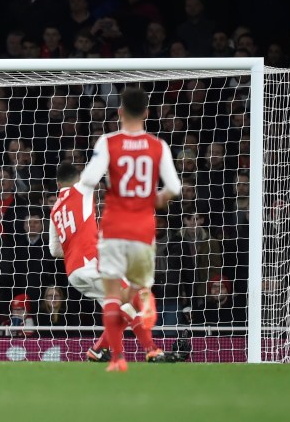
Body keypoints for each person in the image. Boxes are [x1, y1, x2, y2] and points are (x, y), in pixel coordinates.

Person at [78, 86, 182, 372]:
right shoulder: (157, 145)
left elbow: (87, 179)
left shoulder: (108, 142)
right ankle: (145, 322)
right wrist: (157, 198)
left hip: (113, 229)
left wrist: (110, 182)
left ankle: (116, 359)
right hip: (142, 231)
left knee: (112, 294)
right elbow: (174, 187)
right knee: (134, 293)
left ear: (120, 112)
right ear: (147, 113)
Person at [48, 162, 163, 363]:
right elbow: (99, 166)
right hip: (92, 263)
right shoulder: (81, 188)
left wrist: (76, 247)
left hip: (74, 273)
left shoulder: (55, 210)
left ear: (58, 183)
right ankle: (152, 350)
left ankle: (97, 350)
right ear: (77, 178)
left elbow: (54, 250)